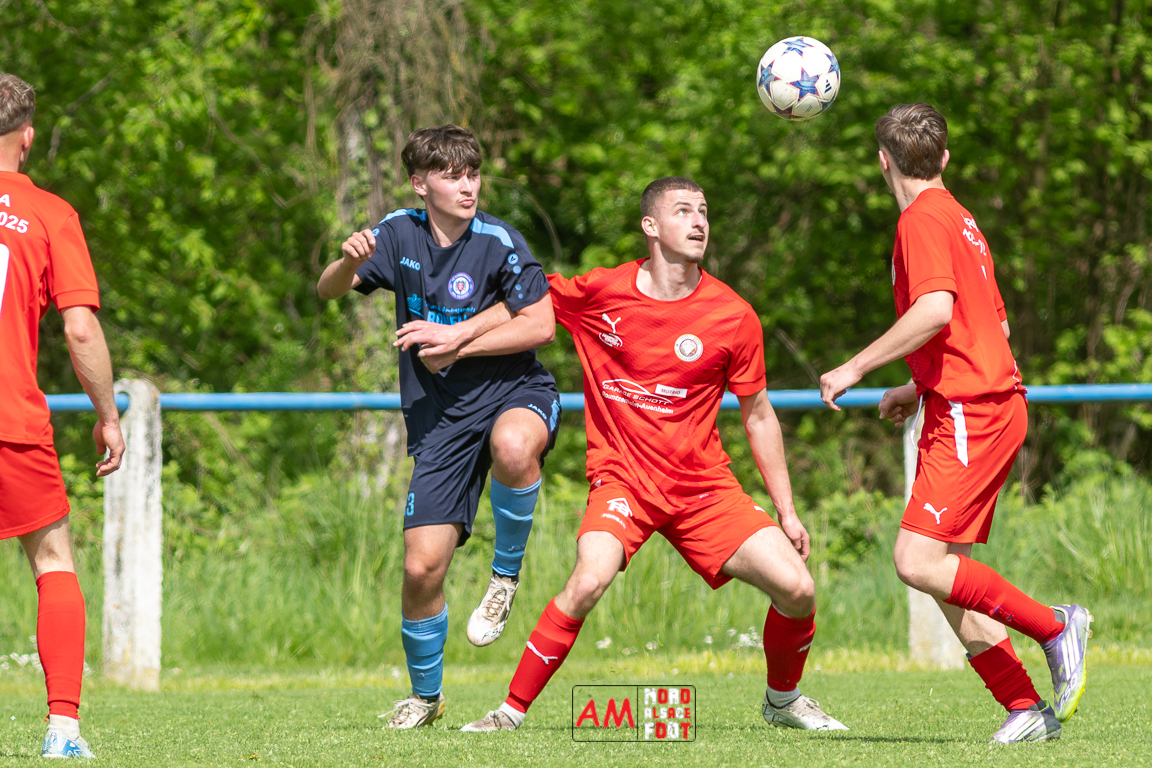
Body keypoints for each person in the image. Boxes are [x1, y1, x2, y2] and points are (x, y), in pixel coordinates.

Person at [461, 177, 847, 733]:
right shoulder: (601, 292)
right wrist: (456, 339)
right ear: (651, 226)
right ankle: (508, 713)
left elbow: (760, 415)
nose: (699, 222)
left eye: (704, 211)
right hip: (624, 482)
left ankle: (783, 701)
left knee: (799, 589)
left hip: (704, 490)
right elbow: (526, 302)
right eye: (683, 211)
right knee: (587, 581)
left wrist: (787, 511)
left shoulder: (733, 314)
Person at [819, 103, 1090, 744]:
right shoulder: (961, 218)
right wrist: (917, 386)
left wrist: (854, 366)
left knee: (915, 560)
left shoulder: (920, 219)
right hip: (970, 403)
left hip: (974, 409)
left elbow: (937, 310)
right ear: (943, 158)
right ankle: (1024, 707)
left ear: (882, 162)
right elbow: (993, 326)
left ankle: (1056, 626)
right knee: (951, 575)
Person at [317, 125, 560, 728]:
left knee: (513, 446)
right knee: (420, 569)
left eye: (473, 174)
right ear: (420, 184)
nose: (468, 187)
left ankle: (504, 576)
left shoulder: (500, 239)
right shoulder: (398, 232)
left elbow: (541, 324)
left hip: (514, 392)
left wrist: (458, 340)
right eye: (452, 176)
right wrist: (347, 263)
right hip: (441, 421)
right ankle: (426, 699)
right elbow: (327, 291)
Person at [0, 73, 126, 759]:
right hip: (11, 420)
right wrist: (107, 415)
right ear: (27, 137)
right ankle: (63, 731)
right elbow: (79, 329)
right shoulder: (50, 214)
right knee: (53, 562)